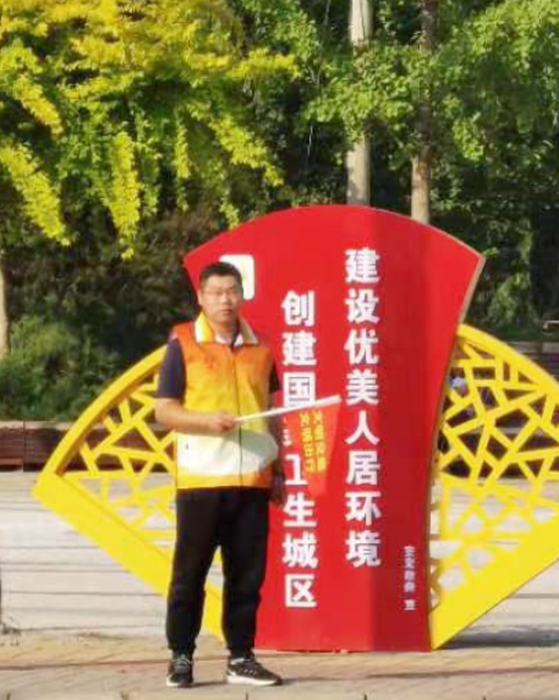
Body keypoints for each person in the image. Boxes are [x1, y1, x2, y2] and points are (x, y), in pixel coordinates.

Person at [155, 260, 286, 688]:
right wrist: (205, 422)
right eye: (216, 292)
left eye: (232, 291)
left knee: (247, 575)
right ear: (201, 297)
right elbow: (164, 411)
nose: (225, 300)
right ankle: (181, 657)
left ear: (242, 294)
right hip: (202, 478)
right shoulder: (183, 343)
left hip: (251, 479)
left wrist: (279, 469)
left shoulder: (261, 346)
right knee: (189, 574)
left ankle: (241, 658)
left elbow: (272, 411)